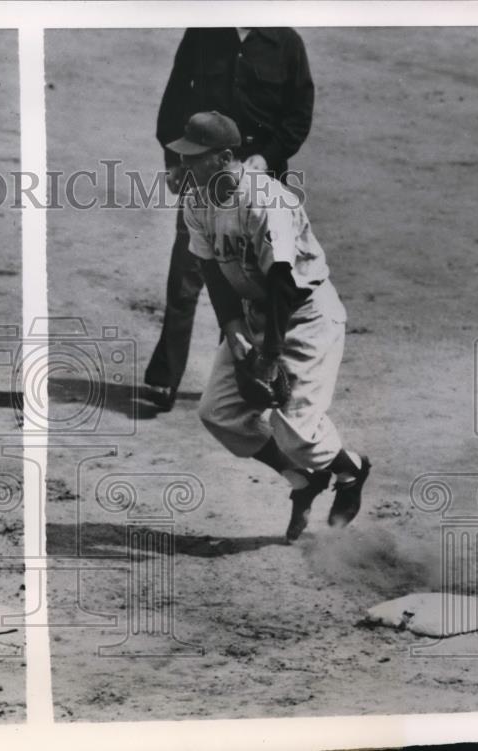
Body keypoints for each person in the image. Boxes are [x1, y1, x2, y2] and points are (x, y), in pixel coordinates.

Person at [167, 111, 369, 541]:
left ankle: (350, 470)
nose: (186, 166)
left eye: (195, 158)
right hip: (255, 312)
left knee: (294, 429)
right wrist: (235, 330)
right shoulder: (198, 200)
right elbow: (210, 266)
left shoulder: (265, 201)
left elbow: (282, 282)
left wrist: (270, 355)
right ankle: (303, 478)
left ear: (223, 157)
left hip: (304, 313)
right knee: (218, 413)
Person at [145, 27, 314, 411]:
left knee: (254, 283)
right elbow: (174, 102)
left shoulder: (285, 42)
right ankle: (165, 377)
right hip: (203, 173)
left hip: (260, 181)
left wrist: (267, 157)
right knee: (186, 277)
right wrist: (175, 163)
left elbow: (298, 115)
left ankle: (248, 379)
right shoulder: (204, 31)